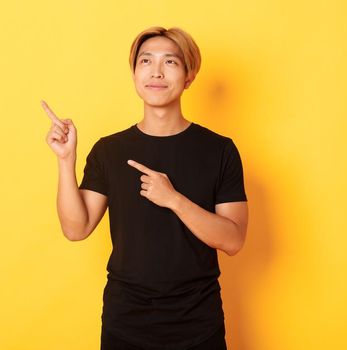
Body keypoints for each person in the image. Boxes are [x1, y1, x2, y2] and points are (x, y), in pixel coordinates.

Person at [42, 26, 249, 350]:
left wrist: (174, 199)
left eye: (170, 62)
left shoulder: (219, 150)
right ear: (135, 73)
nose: (156, 71)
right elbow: (75, 228)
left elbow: (234, 240)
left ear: (189, 75)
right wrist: (66, 160)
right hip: (126, 324)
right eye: (146, 61)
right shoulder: (109, 150)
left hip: (198, 325)